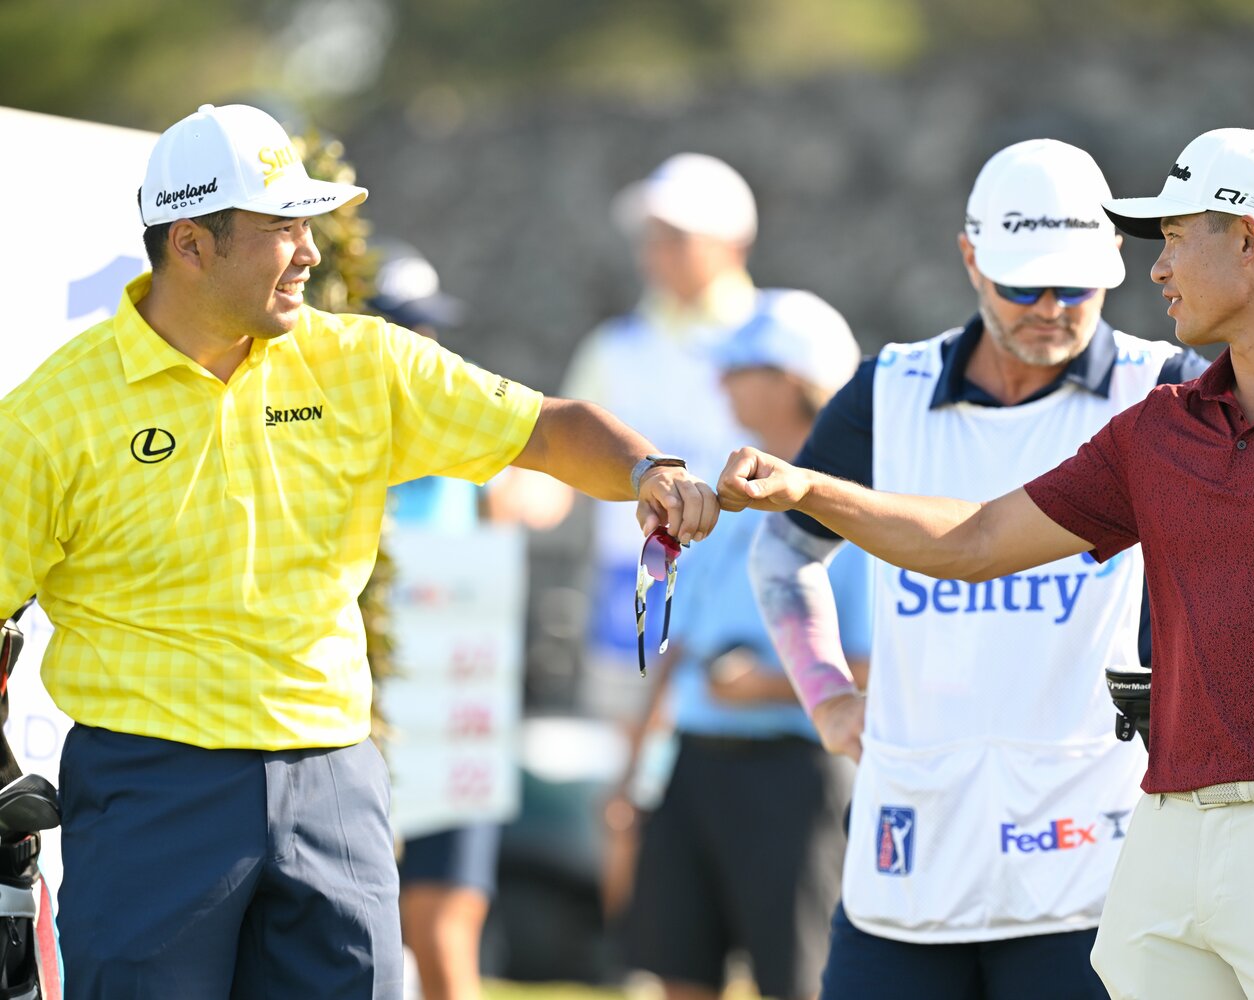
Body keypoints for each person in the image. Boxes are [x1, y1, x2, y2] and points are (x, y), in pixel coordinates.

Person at [719, 127, 1254, 999]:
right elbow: (973, 540)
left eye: (1174, 239)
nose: (1154, 271)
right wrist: (810, 489)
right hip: (1163, 832)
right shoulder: (1161, 426)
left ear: (1248, 238)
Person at [0, 103, 719, 999]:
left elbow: (546, 429)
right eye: (284, 229)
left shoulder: (364, 362)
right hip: (153, 786)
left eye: (309, 226)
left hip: (333, 778)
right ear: (191, 244)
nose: (311, 253)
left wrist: (646, 469)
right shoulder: (52, 416)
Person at [744, 139, 1208, 1000]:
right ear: (970, 259)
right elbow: (782, 550)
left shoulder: (1168, 389)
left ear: (1115, 266)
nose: (1049, 307)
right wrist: (826, 696)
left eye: (1074, 285)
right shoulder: (886, 390)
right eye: (1020, 283)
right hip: (909, 856)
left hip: (1093, 866)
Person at [617, 290, 871, 1000]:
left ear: (793, 380)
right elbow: (681, 650)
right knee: (678, 971)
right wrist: (635, 771)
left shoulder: (856, 514)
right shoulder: (723, 503)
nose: (721, 382)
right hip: (696, 767)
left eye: (739, 367)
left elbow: (882, 666)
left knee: (799, 978)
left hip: (795, 776)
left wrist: (759, 682)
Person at [369, 241, 572, 1000]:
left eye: (425, 327)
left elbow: (551, 490)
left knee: (443, 928)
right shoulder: (328, 434)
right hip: (354, 722)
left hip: (448, 722)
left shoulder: (456, 436)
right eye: (399, 325)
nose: (419, 344)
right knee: (358, 929)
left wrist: (512, 494)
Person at [561, 153, 759, 721]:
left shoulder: (782, 339)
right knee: (619, 790)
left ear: (733, 244)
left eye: (676, 237)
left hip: (743, 618)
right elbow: (564, 458)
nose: (655, 252)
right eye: (651, 237)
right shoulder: (613, 346)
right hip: (631, 613)